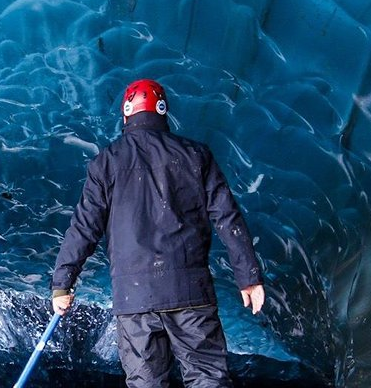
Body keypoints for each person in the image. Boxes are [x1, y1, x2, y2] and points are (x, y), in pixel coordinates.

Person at [51, 79, 265, 387]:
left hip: (134, 297)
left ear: (126, 115)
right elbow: (227, 216)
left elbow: (84, 227)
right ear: (163, 113)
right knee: (208, 380)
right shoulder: (196, 154)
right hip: (190, 291)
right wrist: (249, 277)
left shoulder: (106, 163)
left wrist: (62, 284)